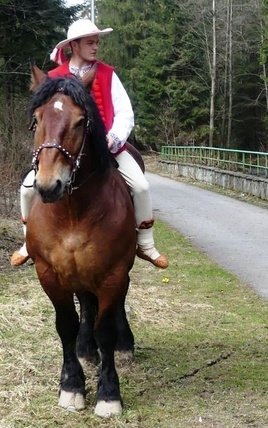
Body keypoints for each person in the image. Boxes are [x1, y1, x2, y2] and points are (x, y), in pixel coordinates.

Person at [10, 19, 169, 269]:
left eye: (96, 42)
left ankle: (146, 244)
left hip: (105, 146)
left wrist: (113, 137)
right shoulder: (53, 78)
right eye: (90, 42)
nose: (95, 47)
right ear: (74, 45)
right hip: (63, 148)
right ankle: (27, 242)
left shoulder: (107, 73)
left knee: (140, 186)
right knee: (28, 189)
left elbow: (125, 113)